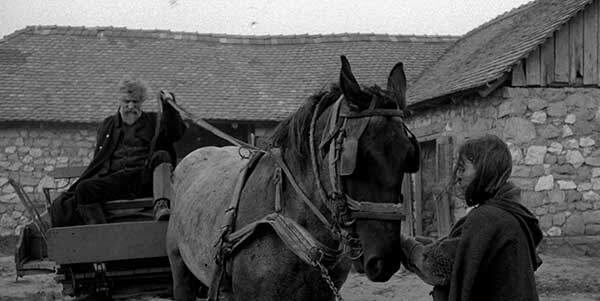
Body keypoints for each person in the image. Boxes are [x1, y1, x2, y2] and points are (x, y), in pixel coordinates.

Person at [400, 134, 543, 301]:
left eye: (463, 168)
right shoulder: (509, 214)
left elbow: (435, 266)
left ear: (485, 169)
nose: (458, 176)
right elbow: (460, 249)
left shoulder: (487, 219)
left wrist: (402, 244)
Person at [49, 76, 186, 225]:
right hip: (115, 181)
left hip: (144, 180)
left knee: (162, 155)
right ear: (120, 101)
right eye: (127, 101)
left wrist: (169, 106)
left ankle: (161, 206)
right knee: (84, 189)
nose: (131, 106)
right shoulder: (108, 125)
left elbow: (175, 133)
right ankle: (98, 229)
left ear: (142, 102)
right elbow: (99, 160)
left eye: (135, 102)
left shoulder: (154, 121)